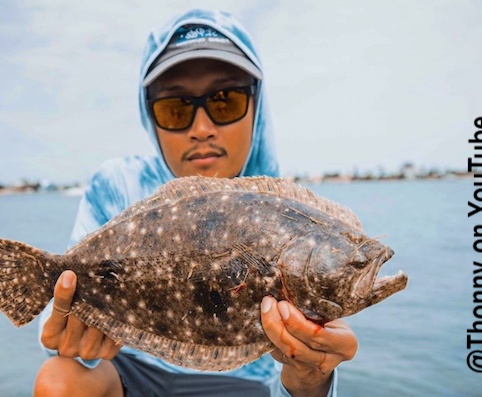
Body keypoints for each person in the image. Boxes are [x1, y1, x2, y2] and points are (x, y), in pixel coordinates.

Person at [34, 9, 357, 397]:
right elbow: (63, 310)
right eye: (176, 109)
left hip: (248, 384)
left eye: (225, 101)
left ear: (257, 106)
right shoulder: (118, 184)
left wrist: (312, 377)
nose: (201, 129)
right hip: (129, 367)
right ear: (148, 114)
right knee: (58, 381)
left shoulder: (290, 213)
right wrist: (71, 334)